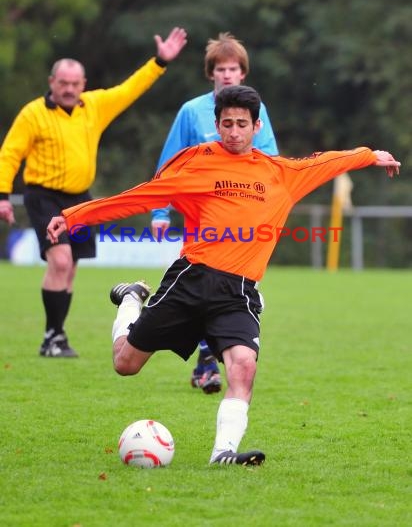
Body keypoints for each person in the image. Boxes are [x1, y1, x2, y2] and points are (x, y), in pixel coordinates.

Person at [46, 85, 400, 465]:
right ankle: (132, 298)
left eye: (241, 124)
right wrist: (73, 216)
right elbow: (141, 196)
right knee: (125, 364)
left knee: (244, 364)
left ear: (256, 126)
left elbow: (327, 162)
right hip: (192, 280)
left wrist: (370, 155)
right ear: (216, 125)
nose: (234, 132)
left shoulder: (280, 173)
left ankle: (223, 452)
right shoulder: (198, 163)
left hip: (239, 292)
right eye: (227, 124)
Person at [0, 27, 187, 358]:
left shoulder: (95, 106)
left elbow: (130, 90)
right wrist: (2, 195)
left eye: (75, 84)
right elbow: (10, 153)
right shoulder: (33, 113)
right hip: (43, 195)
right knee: (60, 261)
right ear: (51, 82)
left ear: (83, 84)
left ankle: (56, 337)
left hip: (80, 198)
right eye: (63, 83)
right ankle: (52, 335)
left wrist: (160, 61)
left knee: (70, 267)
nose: (70, 89)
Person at [151, 32, 279, 394]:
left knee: (231, 283)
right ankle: (208, 360)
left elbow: (271, 161)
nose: (227, 75)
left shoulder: (257, 111)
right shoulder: (193, 111)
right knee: (204, 282)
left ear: (243, 73)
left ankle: (208, 359)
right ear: (211, 73)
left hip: (243, 213)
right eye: (220, 68)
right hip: (202, 214)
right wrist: (160, 211)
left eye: (233, 68)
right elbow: (169, 163)